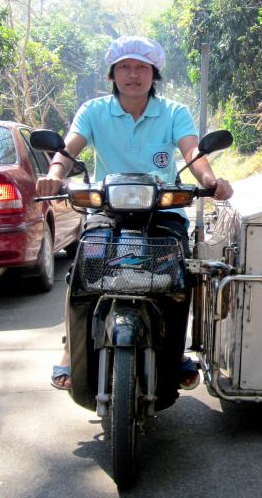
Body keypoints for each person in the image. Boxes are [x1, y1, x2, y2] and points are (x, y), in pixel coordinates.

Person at [37, 35, 233, 397]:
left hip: (162, 214)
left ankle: (175, 354)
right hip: (106, 212)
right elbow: (68, 148)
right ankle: (71, 349)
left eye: (141, 67)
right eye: (125, 67)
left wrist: (210, 180)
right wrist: (53, 175)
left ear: (153, 74)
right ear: (112, 73)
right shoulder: (93, 111)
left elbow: (193, 153)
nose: (133, 74)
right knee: (83, 271)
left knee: (177, 278)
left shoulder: (174, 112)